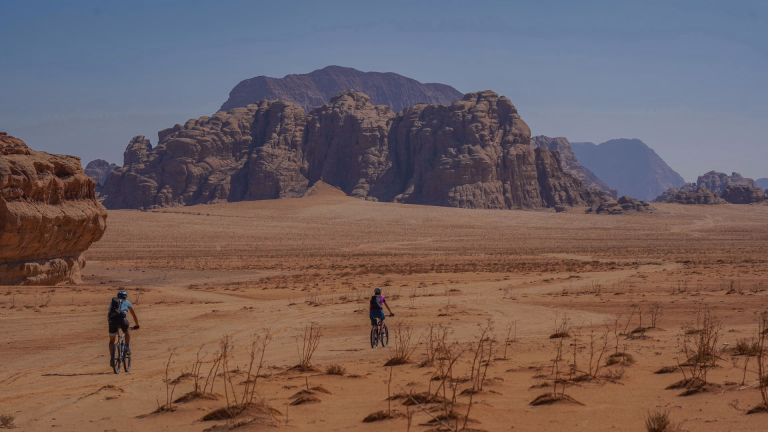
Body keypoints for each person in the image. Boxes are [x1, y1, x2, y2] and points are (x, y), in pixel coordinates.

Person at [108, 290, 139, 367]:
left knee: (112, 341)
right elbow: (133, 315)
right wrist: (137, 324)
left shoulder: (113, 303)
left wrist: (110, 324)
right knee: (127, 330)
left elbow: (108, 315)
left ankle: (112, 357)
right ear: (126, 297)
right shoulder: (127, 302)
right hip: (122, 320)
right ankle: (127, 347)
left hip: (112, 321)